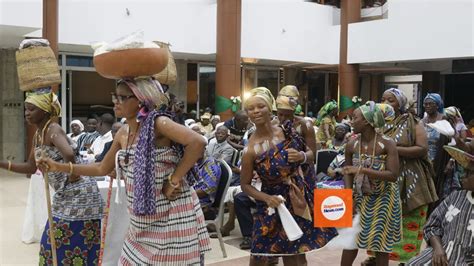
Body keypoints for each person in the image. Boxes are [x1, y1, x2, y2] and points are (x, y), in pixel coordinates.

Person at [38, 77, 211, 265]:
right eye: (115, 96)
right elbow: (101, 167)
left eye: (122, 97)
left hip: (172, 217)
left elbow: (197, 142)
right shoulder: (123, 132)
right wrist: (59, 167)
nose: (115, 102)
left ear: (141, 100)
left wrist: (173, 180)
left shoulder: (158, 123)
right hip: (141, 220)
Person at [1, 88, 103, 265]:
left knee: (67, 244)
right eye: (26, 109)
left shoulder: (53, 129)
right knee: (52, 247)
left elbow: (69, 154)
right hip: (65, 195)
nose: (27, 113)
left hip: (79, 196)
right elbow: (30, 167)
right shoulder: (38, 135)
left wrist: (72, 179)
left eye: (32, 109)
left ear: (45, 111)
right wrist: (2, 163)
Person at [240, 87, 337, 266]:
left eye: (260, 106)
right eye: (250, 109)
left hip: (296, 195)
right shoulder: (250, 149)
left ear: (270, 108)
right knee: (260, 254)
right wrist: (267, 198)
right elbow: (245, 185)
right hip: (272, 202)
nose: (256, 111)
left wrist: (302, 156)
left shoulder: (286, 130)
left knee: (295, 252)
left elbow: (310, 154)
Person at [376, 88, 439, 264]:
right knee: (383, 219)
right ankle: (379, 258)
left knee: (409, 220)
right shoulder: (377, 122)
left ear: (401, 104)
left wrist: (393, 150)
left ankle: (406, 260)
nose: (386, 103)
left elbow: (422, 149)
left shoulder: (413, 122)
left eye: (391, 100)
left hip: (412, 179)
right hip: (385, 178)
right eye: (383, 99)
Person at [341, 102, 401, 266]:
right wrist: (349, 196)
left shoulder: (387, 143)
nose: (351, 121)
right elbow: (347, 172)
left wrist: (362, 170)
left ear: (367, 121)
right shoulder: (352, 144)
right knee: (351, 239)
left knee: (380, 245)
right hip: (360, 198)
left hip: (384, 200)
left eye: (354, 118)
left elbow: (393, 175)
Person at [407, 173, 474, 266]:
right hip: (439, 256)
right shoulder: (455, 197)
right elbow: (432, 225)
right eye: (464, 170)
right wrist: (438, 248)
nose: (463, 175)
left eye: (469, 172)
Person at [421, 93, 453, 212]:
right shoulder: (422, 121)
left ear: (438, 105)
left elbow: (453, 141)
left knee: (437, 190)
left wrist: (451, 161)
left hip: (440, 161)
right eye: (425, 104)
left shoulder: (444, 120)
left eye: (431, 104)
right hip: (425, 162)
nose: (427, 106)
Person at [276, 85, 317, 164]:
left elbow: (313, 154)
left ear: (293, 112)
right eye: (280, 114)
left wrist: (301, 156)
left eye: (287, 115)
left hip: (302, 170)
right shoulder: (273, 124)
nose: (283, 118)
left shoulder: (304, 125)